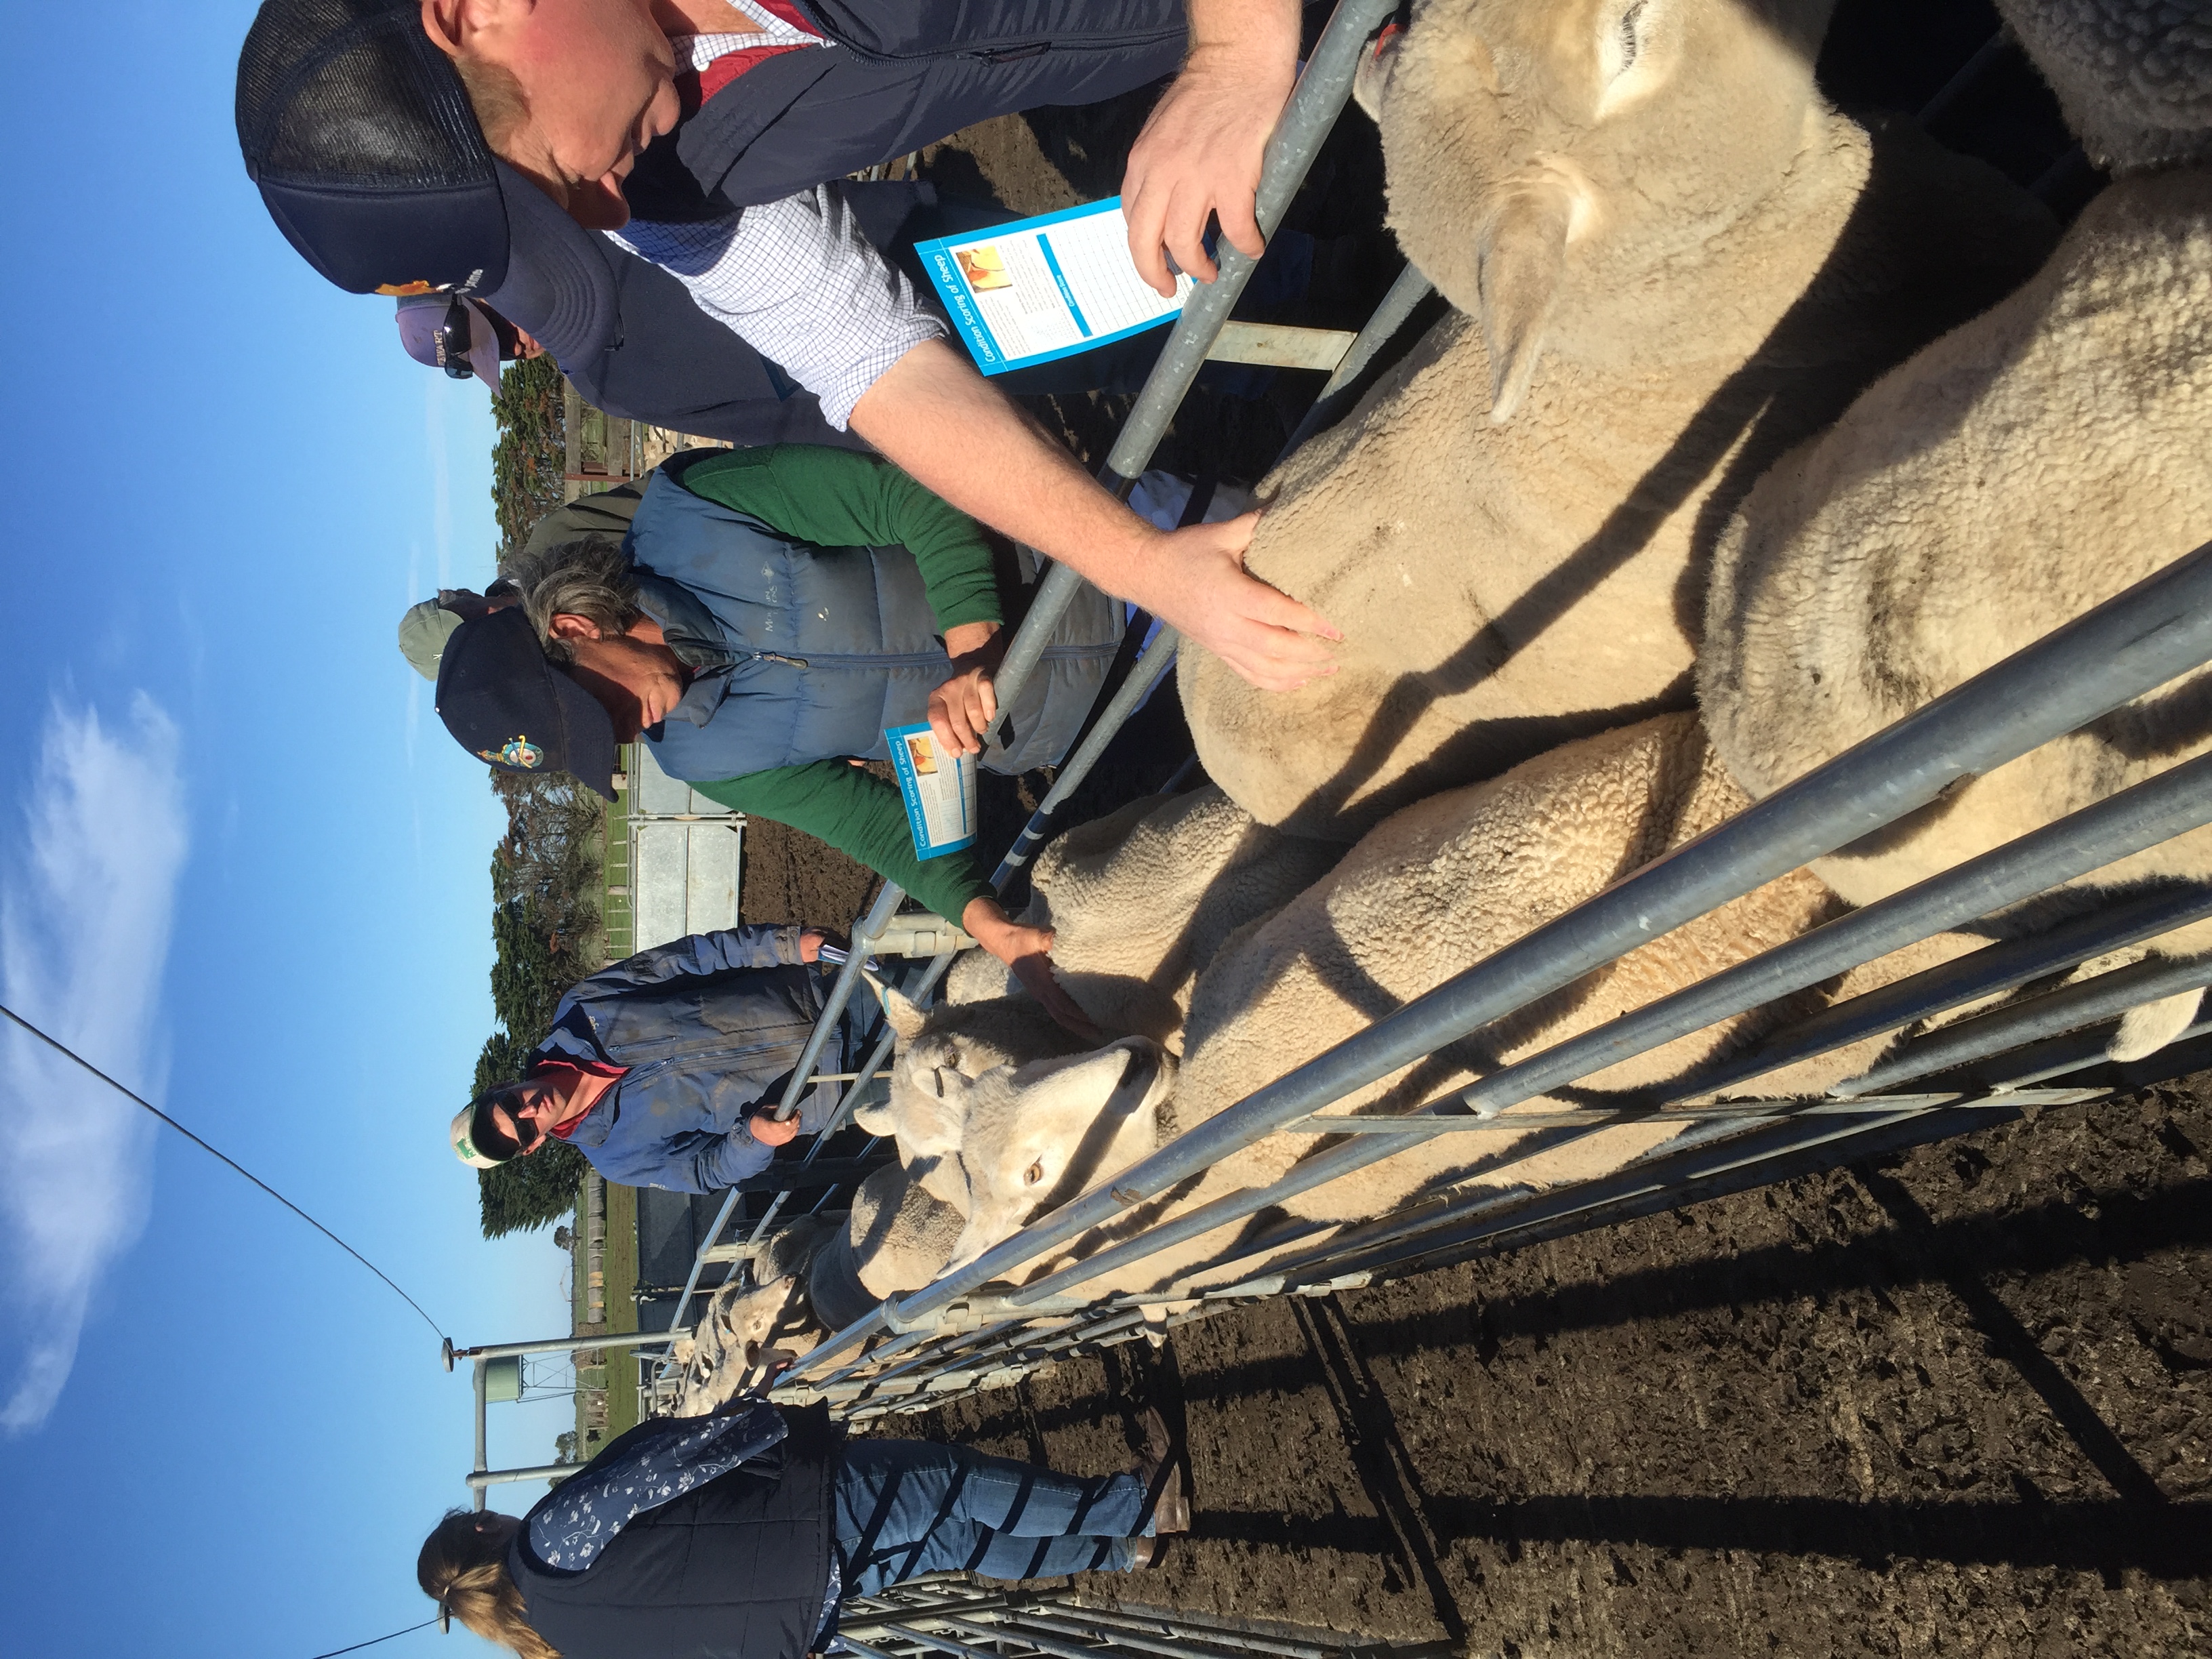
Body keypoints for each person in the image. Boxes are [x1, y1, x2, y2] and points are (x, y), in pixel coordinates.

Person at [236, 0, 1341, 691]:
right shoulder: (664, 188)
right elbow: (862, 358)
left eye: (549, 183)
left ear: (475, 13)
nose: (596, 215)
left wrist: (1234, 53)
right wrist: (1142, 566)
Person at [434, 443, 1111, 1027]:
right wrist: (980, 920)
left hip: (1089, 558)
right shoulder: (702, 758)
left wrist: (972, 645)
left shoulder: (694, 512)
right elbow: (875, 828)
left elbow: (909, 495)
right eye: (594, 745)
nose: (620, 735)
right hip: (1078, 725)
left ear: (576, 630)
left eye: (595, 710)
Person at [417, 1399, 1188, 1659]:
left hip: (799, 1608)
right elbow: (658, 1469)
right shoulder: (548, 1540)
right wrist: (764, 1421)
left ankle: (1124, 1553)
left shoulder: (565, 1645)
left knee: (955, 1543)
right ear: (482, 1526)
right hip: (795, 1522)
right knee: (951, 1481)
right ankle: (1140, 1505)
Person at [451, 922, 856, 1193]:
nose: (529, 1111)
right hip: (829, 1092)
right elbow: (706, 1171)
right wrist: (755, 1141)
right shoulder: (616, 1159)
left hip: (818, 996)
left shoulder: (580, 1011)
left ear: (502, 1087)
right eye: (524, 1131)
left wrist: (781, 945)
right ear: (532, 1146)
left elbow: (685, 959)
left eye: (510, 1105)